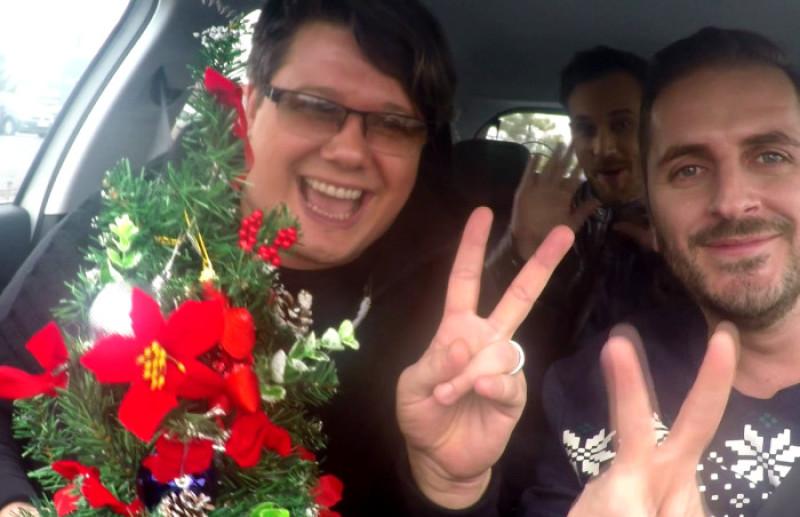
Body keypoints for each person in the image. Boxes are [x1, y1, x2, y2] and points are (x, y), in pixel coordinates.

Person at [0, 0, 499, 515]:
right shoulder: (139, 218)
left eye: (393, 123)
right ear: (252, 105)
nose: (349, 152)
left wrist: (449, 486)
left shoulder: (453, 311)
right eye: (315, 106)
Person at [399, 25, 800, 516]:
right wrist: (525, 250)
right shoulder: (581, 386)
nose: (732, 202)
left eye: (772, 156)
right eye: (689, 170)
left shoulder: (662, 248)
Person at [491, 46, 685, 363]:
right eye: (586, 129)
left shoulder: (695, 217)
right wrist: (522, 249)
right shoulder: (558, 213)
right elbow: (487, 336)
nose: (602, 147)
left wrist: (680, 269)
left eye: (622, 125)